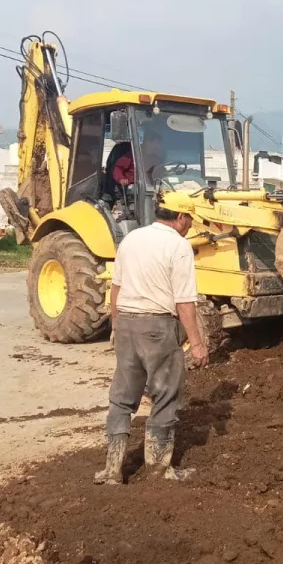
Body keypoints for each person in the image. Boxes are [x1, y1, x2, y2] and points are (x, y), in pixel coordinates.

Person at [95, 202, 209, 485]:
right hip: (157, 327)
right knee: (165, 394)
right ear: (180, 217)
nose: (191, 224)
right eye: (190, 218)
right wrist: (196, 343)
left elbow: (116, 287)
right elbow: (184, 300)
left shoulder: (132, 238)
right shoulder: (178, 247)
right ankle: (159, 470)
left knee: (122, 397)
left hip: (126, 323)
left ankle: (112, 469)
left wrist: (116, 325)